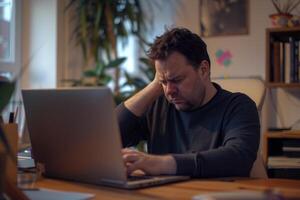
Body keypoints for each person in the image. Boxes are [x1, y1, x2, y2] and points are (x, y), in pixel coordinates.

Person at [116, 27, 260, 178]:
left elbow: (238, 159)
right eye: (163, 82)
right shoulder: (158, 105)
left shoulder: (238, 106)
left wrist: (159, 163)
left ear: (203, 70)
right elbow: (109, 139)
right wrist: (155, 85)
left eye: (177, 80)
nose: (169, 91)